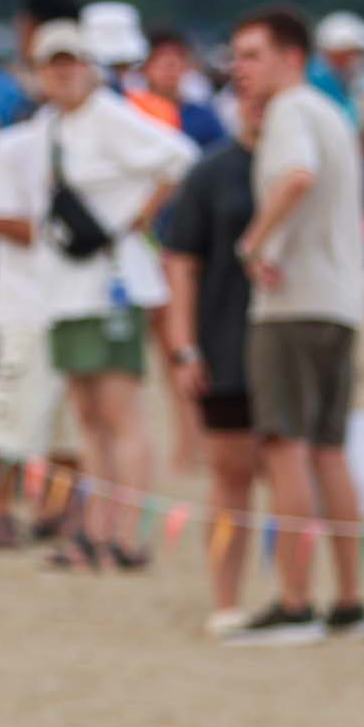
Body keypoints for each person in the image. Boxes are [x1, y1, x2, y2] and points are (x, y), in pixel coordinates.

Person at [227, 4, 364, 643]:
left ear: (293, 57)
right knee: (328, 451)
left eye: (253, 55)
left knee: (285, 449)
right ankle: (348, 598)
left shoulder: (292, 109)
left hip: (294, 304)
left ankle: (294, 601)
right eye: (236, 56)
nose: (240, 69)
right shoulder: (328, 111)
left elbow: (296, 175)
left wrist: (255, 241)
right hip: (339, 300)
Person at [26, 17, 195, 570]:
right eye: (54, 64)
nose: (65, 73)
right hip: (65, 286)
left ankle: (127, 534)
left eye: (72, 61)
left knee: (120, 412)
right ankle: (97, 530)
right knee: (87, 412)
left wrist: (133, 222)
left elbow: (180, 157)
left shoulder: (110, 116)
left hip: (110, 284)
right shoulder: (49, 125)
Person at [162, 86, 267, 631]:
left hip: (291, 339)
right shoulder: (212, 171)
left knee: (296, 469)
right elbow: (181, 263)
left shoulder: (305, 163)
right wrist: (183, 345)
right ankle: (227, 597)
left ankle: (301, 596)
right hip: (225, 337)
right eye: (250, 97)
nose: (260, 105)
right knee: (231, 474)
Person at [0, 83, 61, 551]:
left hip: (74, 302)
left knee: (66, 418)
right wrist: (69, 224)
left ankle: (56, 510)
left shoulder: (106, 142)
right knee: (5, 414)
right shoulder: (12, 147)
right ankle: (1, 511)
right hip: (20, 303)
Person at [141, 27, 227, 150]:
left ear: (186, 64)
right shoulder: (133, 113)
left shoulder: (204, 118)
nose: (169, 65)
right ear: (145, 66)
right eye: (159, 57)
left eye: (176, 57)